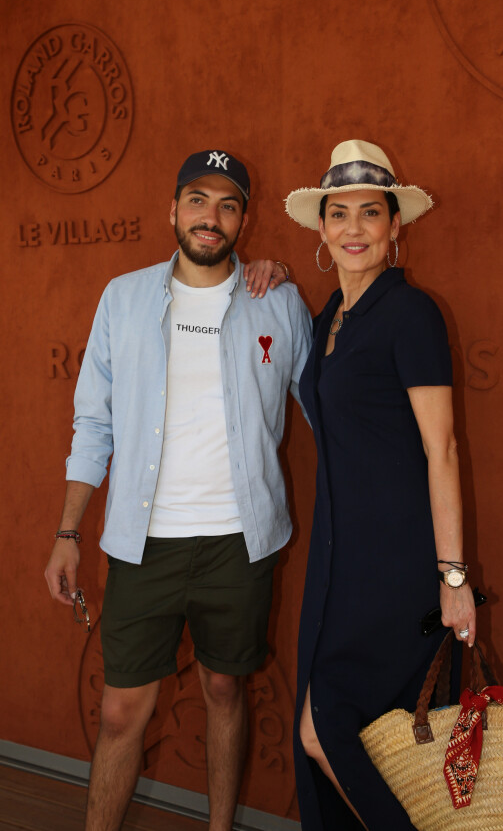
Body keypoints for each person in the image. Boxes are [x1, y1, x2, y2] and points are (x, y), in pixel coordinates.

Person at [44, 148, 312, 831]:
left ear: (243, 219)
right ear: (173, 209)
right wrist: (68, 532)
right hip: (144, 545)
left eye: (227, 205)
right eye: (198, 200)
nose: (210, 216)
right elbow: (92, 424)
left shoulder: (278, 300)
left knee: (225, 687)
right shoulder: (123, 298)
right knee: (119, 710)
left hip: (239, 542)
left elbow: (327, 407)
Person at [284, 140, 476, 830]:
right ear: (323, 228)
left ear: (396, 227)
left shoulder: (410, 314)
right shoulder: (329, 316)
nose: (355, 228)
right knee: (343, 737)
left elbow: (443, 448)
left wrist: (453, 578)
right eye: (340, 214)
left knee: (321, 730)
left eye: (371, 213)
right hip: (337, 564)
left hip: (394, 567)